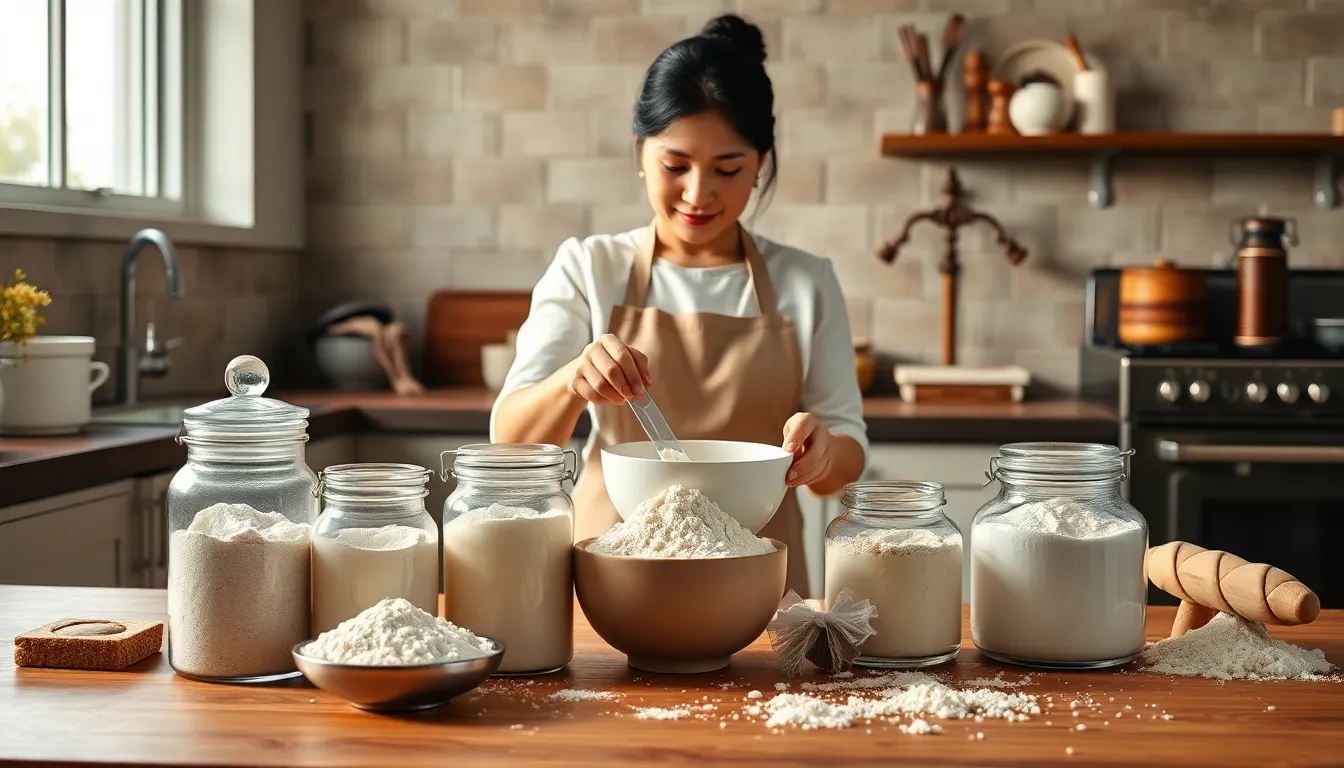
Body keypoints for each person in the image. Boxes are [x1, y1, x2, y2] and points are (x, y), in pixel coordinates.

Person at [490, 14, 868, 594]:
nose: (697, 194)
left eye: (727, 169)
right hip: (613, 582)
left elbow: (847, 451)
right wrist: (574, 378)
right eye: (675, 166)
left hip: (759, 586)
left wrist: (822, 455)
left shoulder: (806, 281)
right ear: (640, 152)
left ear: (761, 163)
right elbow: (511, 444)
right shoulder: (591, 267)